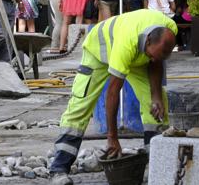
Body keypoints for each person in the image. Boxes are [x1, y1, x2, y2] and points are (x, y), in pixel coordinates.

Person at [49, 10, 177, 185]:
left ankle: (159, 165)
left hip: (139, 57)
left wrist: (156, 97)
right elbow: (112, 92)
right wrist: (113, 137)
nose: (155, 58)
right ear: (147, 41)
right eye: (153, 54)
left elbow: (156, 62)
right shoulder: (126, 44)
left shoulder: (169, 29)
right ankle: (59, 169)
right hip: (99, 51)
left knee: (158, 105)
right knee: (81, 104)